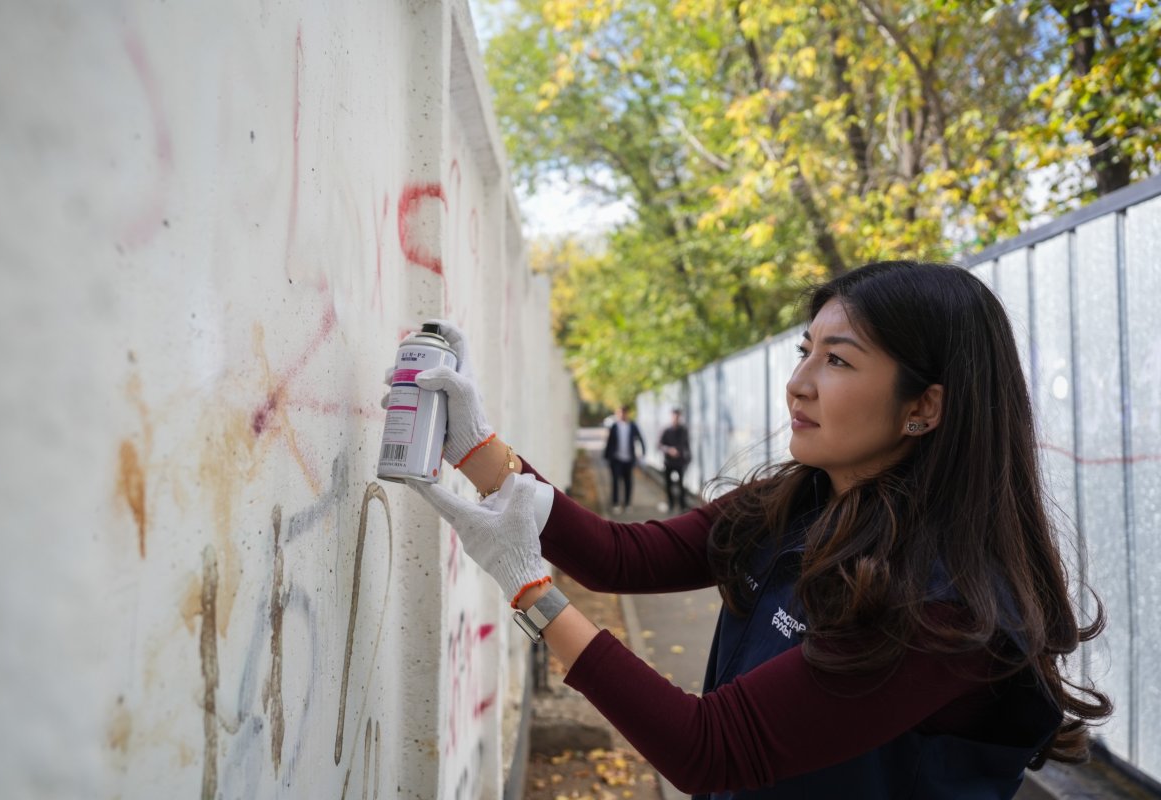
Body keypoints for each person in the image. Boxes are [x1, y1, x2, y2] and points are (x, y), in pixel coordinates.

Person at [404, 261, 1111, 799]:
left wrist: (531, 591)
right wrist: (476, 447)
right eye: (806, 350)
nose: (798, 382)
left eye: (838, 360)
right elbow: (624, 557)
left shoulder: (948, 607)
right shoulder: (797, 501)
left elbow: (710, 748)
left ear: (924, 407)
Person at [603, 405, 645, 513]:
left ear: (627, 413)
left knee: (628, 482)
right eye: (620, 413)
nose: (622, 415)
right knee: (615, 482)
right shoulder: (614, 426)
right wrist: (606, 457)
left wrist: (643, 453)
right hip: (616, 459)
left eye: (624, 413)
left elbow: (640, 439)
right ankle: (616, 503)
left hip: (629, 460)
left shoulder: (632, 426)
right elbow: (609, 442)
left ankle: (627, 504)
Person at [659, 407, 691, 512]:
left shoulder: (683, 430)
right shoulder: (666, 430)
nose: (676, 419)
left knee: (681, 484)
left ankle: (682, 505)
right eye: (674, 416)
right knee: (668, 484)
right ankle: (670, 504)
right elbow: (660, 445)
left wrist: (688, 458)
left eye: (677, 417)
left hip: (680, 462)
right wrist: (669, 450)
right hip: (668, 462)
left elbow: (686, 445)